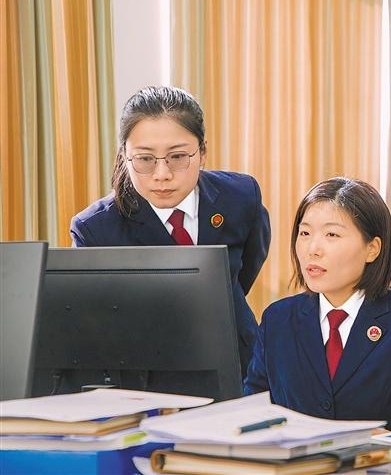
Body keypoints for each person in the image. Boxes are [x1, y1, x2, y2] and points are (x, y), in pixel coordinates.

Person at [70, 86, 270, 377]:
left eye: (177, 157)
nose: (161, 174)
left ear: (202, 152)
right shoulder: (95, 229)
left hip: (237, 361)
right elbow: (96, 320)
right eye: (145, 159)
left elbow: (246, 267)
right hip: (147, 374)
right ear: (125, 156)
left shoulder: (240, 196)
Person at [244, 177, 391, 430]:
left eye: (331, 234)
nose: (313, 249)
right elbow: (253, 414)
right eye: (305, 233)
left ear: (372, 249)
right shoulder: (277, 320)